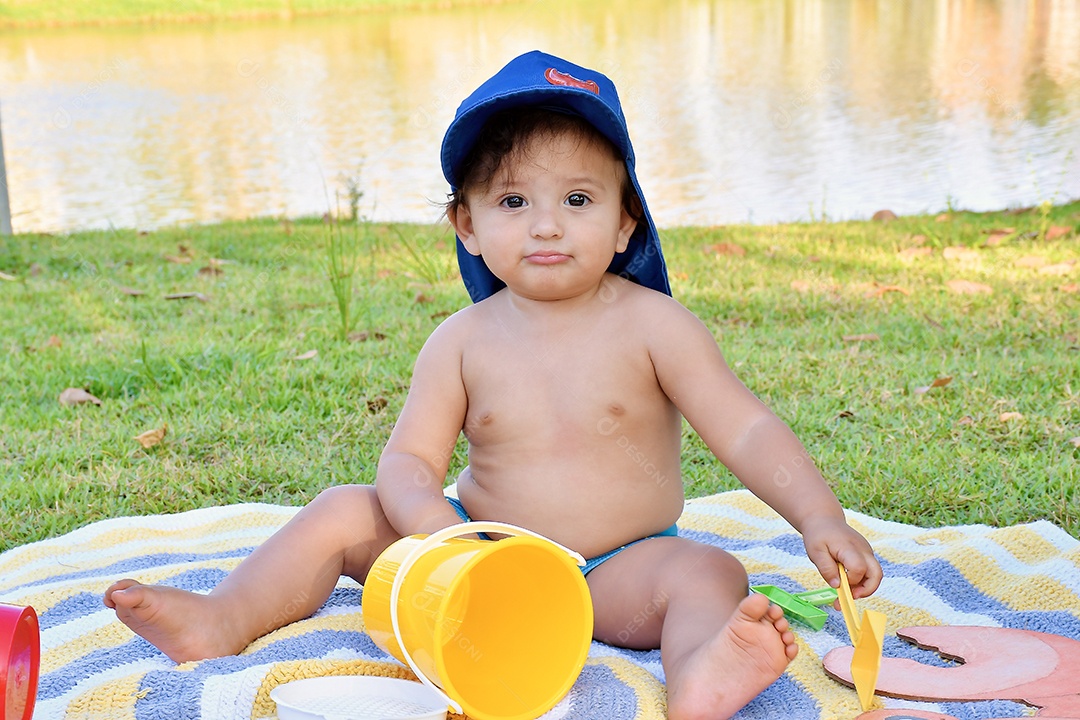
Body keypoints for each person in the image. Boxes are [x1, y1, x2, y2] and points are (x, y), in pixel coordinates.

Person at [105, 50, 882, 719]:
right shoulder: (462, 341)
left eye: (577, 200)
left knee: (707, 570)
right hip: (476, 567)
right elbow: (409, 463)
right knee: (345, 509)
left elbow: (744, 428)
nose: (546, 225)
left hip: (617, 573)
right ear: (468, 226)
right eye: (513, 201)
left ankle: (702, 672)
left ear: (625, 224)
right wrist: (441, 535)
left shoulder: (656, 327)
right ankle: (222, 617)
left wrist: (818, 516)